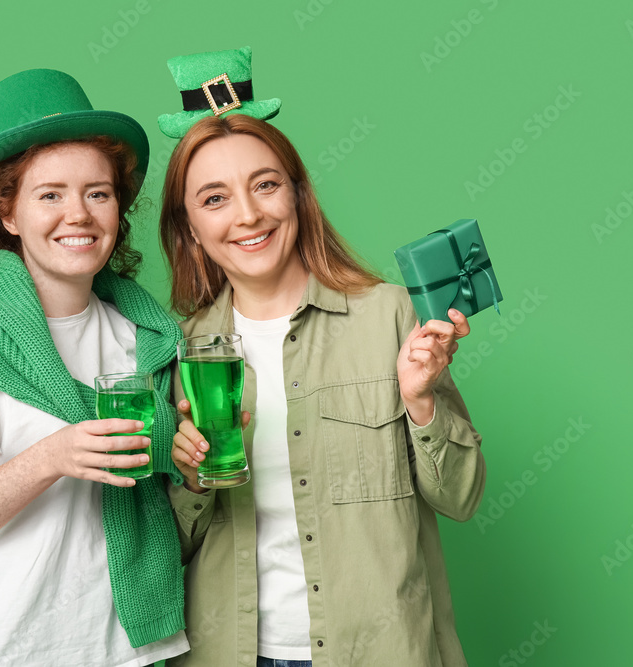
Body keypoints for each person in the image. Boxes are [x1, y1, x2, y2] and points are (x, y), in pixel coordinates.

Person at [157, 48, 486, 667]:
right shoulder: (180, 352)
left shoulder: (390, 316)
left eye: (265, 185)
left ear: (298, 196)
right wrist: (194, 480)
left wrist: (420, 402)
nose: (248, 215)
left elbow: (462, 498)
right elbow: (160, 553)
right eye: (215, 198)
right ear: (189, 227)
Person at [0, 68, 189, 666]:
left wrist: (187, 456)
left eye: (97, 193)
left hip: (123, 648)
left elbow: (162, 480)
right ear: (8, 214)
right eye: (50, 195)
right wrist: (51, 458)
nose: (78, 214)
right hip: (4, 648)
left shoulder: (147, 336)